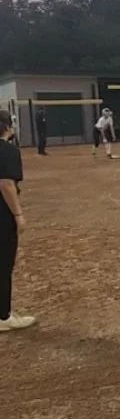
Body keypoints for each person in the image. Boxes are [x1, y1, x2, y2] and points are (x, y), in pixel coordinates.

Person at [0, 110, 35, 332]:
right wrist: (18, 214)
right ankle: (4, 316)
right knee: (3, 264)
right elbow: (5, 183)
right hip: (1, 216)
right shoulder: (7, 150)